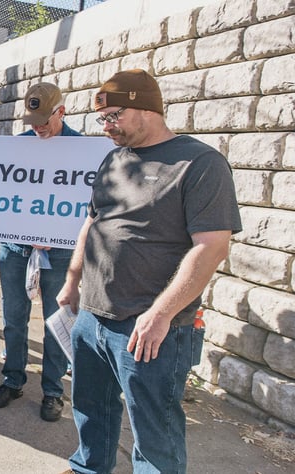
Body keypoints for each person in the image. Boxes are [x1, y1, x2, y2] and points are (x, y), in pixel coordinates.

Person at [57, 69, 241, 473]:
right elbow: (93, 222)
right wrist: (73, 282)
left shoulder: (201, 163)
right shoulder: (114, 159)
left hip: (151, 328)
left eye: (113, 116)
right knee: (90, 413)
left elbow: (212, 247)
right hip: (92, 315)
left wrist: (160, 315)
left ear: (147, 107)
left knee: (154, 437)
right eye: (102, 120)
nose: (106, 128)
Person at [0, 83, 79, 424]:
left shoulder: (82, 150)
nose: (38, 126)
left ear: (62, 112)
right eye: (33, 120)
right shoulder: (17, 147)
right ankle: (13, 380)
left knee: (56, 322)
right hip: (16, 248)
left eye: (45, 119)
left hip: (59, 253)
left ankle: (53, 391)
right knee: (13, 317)